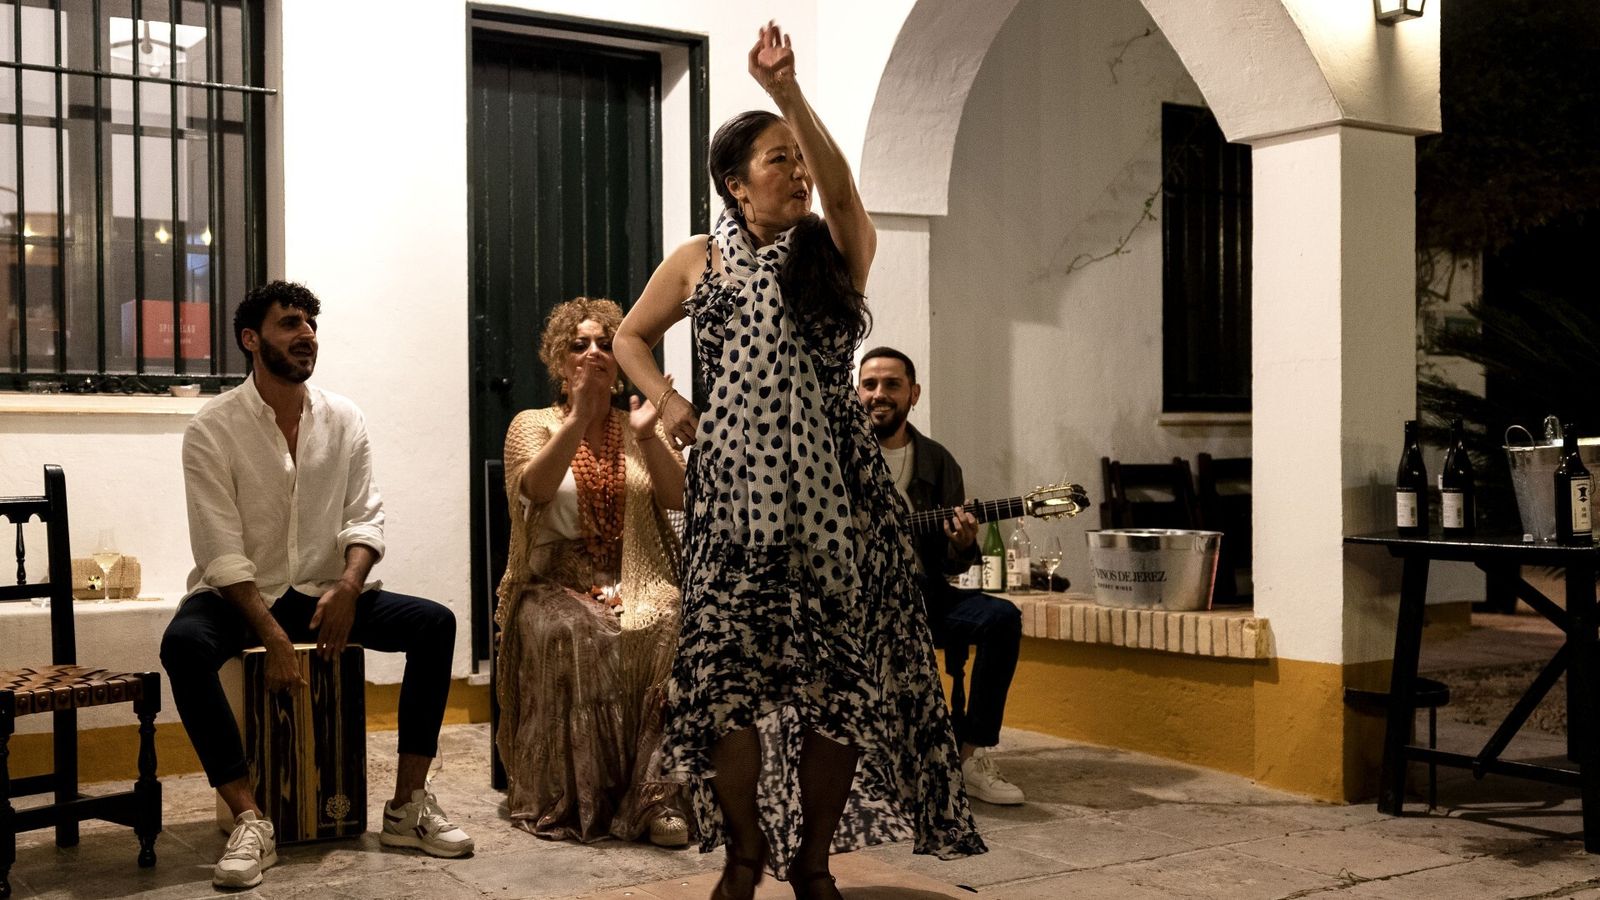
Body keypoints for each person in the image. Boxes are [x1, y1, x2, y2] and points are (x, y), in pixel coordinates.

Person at [613, 22, 984, 900]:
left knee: (839, 694)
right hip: (734, 510)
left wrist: (789, 96)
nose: (799, 171)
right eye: (779, 160)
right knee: (727, 691)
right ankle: (745, 853)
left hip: (839, 515)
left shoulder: (833, 250)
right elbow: (631, 336)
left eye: (799, 158)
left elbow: (848, 193)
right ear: (736, 185)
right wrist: (670, 404)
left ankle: (813, 859)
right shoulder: (698, 261)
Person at [159, 281, 473, 891]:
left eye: (311, 324)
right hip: (237, 596)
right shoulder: (212, 428)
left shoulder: (344, 417)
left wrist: (351, 586)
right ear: (252, 340)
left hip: (325, 589)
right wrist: (273, 637)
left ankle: (409, 805)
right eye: (290, 324)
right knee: (183, 646)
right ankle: (251, 818)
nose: (306, 335)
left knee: (435, 623)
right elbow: (220, 552)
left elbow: (365, 516)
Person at [493, 297, 690, 847]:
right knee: (576, 632)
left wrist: (649, 436)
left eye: (606, 343)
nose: (594, 353)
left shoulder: (637, 425)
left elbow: (678, 497)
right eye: (579, 345)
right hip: (552, 582)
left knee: (673, 621)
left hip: (636, 575)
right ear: (559, 361)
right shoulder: (531, 424)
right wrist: (581, 415)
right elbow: (532, 491)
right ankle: (587, 796)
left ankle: (656, 800)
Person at [856, 346, 1026, 806]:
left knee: (1001, 618)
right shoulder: (837, 457)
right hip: (853, 604)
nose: (879, 394)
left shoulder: (938, 462)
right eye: (869, 384)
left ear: (913, 394)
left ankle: (970, 755)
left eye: (892, 384)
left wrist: (963, 543)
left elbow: (953, 566)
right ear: (857, 393)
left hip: (923, 596)